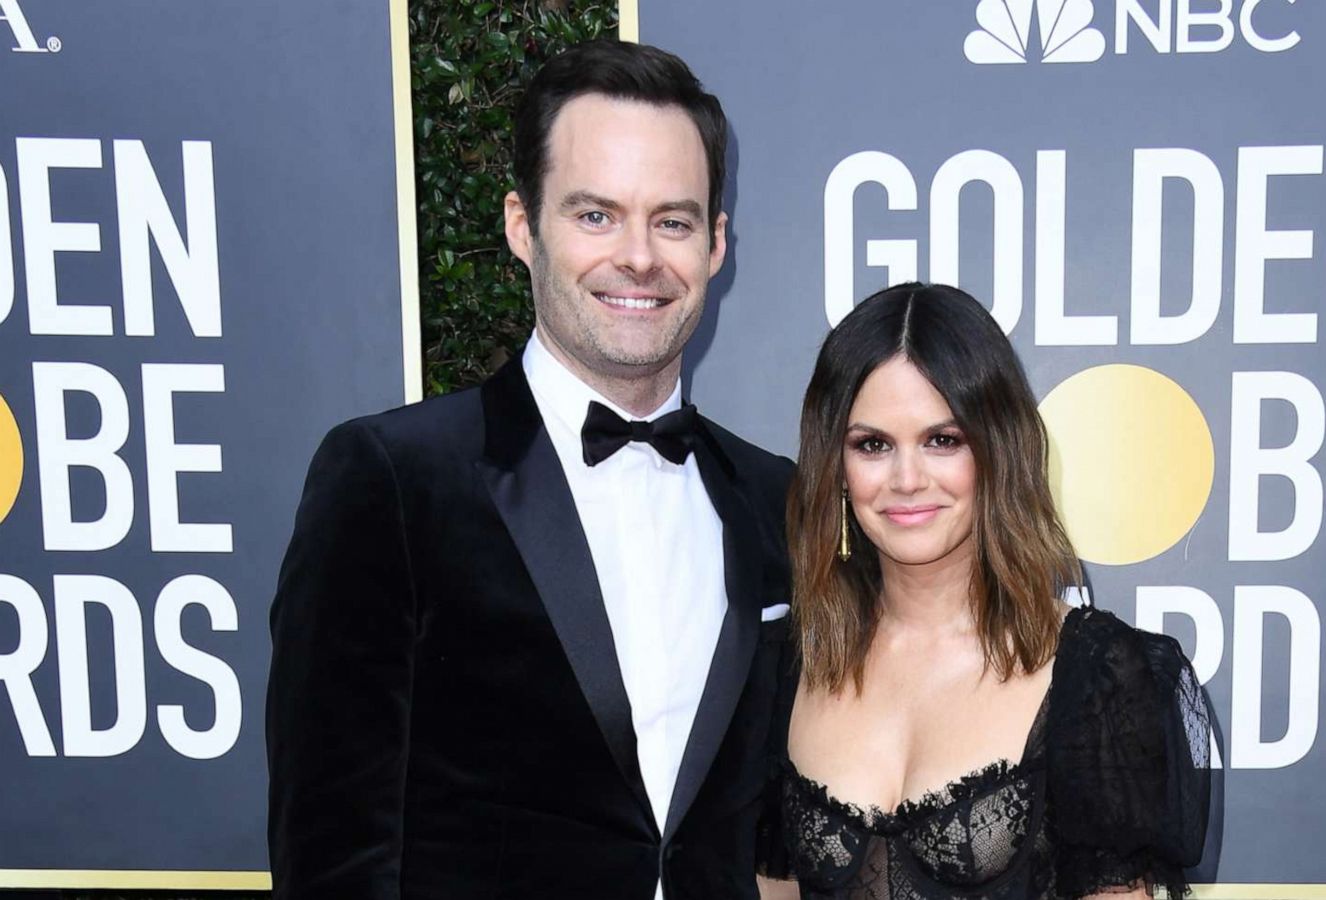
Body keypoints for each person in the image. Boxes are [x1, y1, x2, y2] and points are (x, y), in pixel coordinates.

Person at [266, 41, 793, 900]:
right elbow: (333, 850)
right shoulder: (394, 481)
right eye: (595, 216)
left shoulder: (774, 497)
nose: (638, 256)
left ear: (716, 243)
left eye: (673, 219)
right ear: (522, 225)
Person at [758, 283, 1211, 899]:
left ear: (996, 450)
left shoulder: (1098, 674)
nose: (907, 479)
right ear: (835, 466)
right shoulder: (789, 662)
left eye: (943, 440)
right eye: (872, 445)